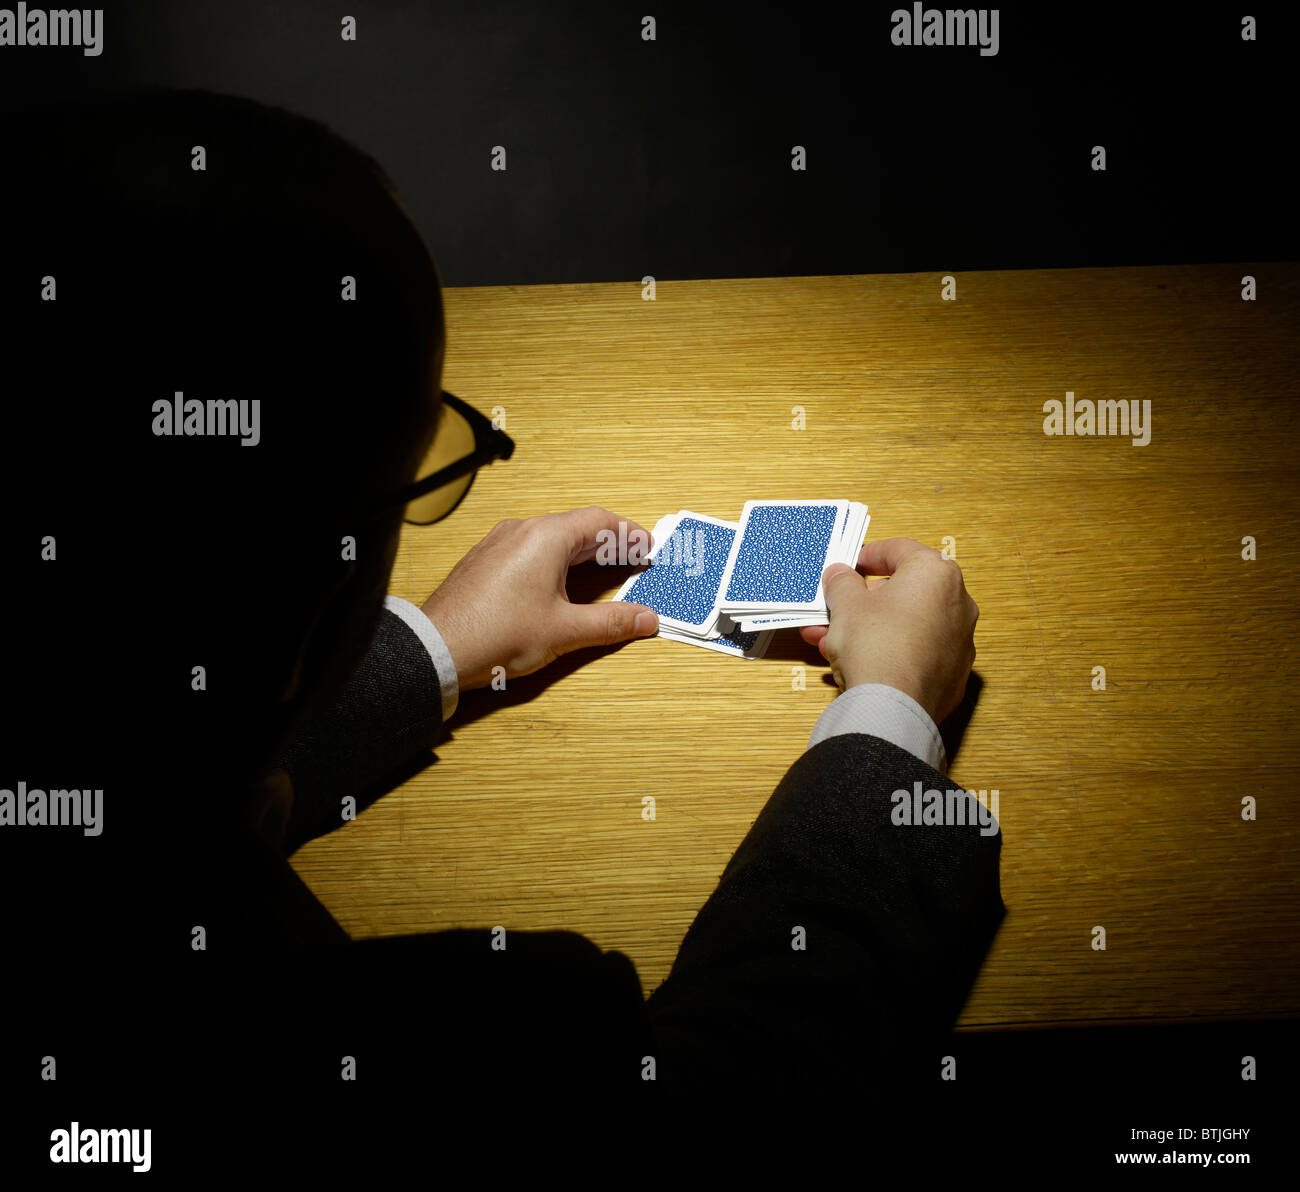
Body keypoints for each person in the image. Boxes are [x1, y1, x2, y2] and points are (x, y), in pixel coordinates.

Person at [0, 88, 1001, 1155]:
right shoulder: (479, 1040)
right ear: (311, 599)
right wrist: (889, 721)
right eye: (412, 476)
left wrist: (434, 646)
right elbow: (737, 1103)